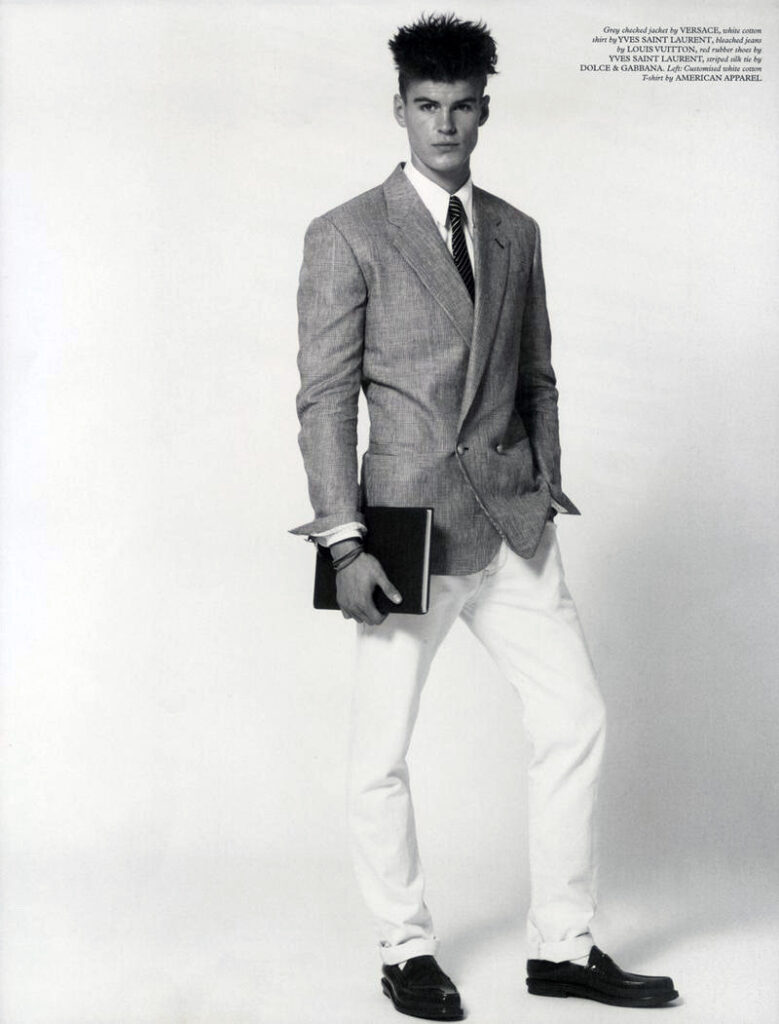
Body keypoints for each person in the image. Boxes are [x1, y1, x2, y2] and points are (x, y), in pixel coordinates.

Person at [290, 13, 678, 1020]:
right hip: (402, 534)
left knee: (574, 721)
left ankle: (562, 946)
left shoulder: (514, 230)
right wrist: (343, 538)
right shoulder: (346, 232)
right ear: (399, 109)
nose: (444, 126)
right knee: (379, 753)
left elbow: (537, 373)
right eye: (426, 106)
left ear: (484, 111)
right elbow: (325, 400)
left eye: (461, 107)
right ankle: (404, 946)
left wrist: (543, 478)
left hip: (511, 521)